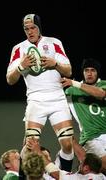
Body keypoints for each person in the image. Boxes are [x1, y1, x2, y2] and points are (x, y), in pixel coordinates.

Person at [6, 13, 75, 171]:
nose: (30, 32)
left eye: (33, 28)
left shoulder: (54, 43)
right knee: (30, 145)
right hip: (36, 101)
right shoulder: (18, 49)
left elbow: (69, 70)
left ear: (39, 28)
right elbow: (10, 79)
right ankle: (23, 177)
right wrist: (21, 66)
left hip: (57, 99)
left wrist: (55, 63)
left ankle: (63, 174)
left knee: (67, 144)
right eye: (26, 29)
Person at [61, 58, 106, 174]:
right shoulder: (71, 91)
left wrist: (75, 83)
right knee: (103, 166)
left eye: (93, 70)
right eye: (86, 70)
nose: (89, 73)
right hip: (91, 137)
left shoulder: (103, 84)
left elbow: (101, 94)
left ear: (97, 73)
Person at [23, 137, 106, 180]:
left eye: (81, 163)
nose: (79, 163)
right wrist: (71, 139)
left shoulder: (80, 178)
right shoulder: (100, 176)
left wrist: (38, 151)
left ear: (86, 168)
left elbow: (56, 174)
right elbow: (83, 157)